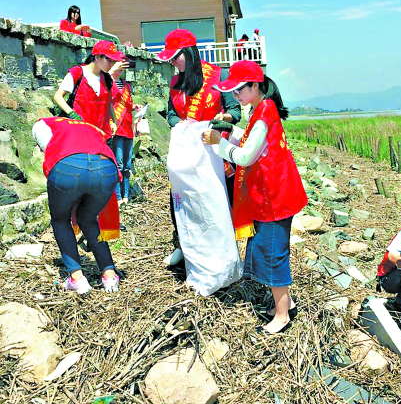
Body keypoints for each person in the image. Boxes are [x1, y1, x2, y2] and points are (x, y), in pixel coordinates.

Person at [202, 60, 308, 334]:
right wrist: (230, 133)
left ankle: (282, 315)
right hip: (277, 192)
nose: (235, 96)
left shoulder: (262, 115)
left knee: (273, 253)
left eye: (239, 90)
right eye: (233, 91)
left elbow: (247, 156)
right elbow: (253, 141)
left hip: (274, 197)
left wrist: (219, 142)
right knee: (270, 248)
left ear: (255, 86)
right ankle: (285, 302)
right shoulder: (263, 108)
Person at [158, 29, 241, 260]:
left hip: (215, 152)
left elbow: (234, 111)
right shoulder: (175, 81)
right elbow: (171, 114)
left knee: (217, 200)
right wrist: (182, 124)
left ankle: (221, 247)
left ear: (190, 53)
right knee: (181, 197)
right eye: (171, 59)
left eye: (176, 57)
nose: (174, 62)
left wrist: (215, 122)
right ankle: (184, 245)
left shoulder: (218, 76)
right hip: (187, 153)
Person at [32, 117, 121, 294]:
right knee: (88, 220)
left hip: (68, 166)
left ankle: (77, 278)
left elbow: (52, 152)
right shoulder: (90, 125)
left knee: (60, 219)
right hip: (107, 167)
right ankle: (109, 276)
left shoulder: (43, 123)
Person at [53, 40, 121, 137]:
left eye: (114, 61)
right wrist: (71, 113)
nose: (112, 64)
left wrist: (114, 121)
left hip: (102, 134)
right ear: (97, 57)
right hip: (80, 132)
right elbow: (58, 96)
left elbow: (108, 102)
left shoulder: (107, 79)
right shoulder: (77, 73)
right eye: (109, 60)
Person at [109, 58, 138, 207]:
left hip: (128, 128)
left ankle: (126, 195)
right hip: (116, 129)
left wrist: (135, 107)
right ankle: (117, 196)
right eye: (118, 64)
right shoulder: (107, 82)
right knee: (118, 164)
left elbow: (128, 104)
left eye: (123, 66)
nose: (121, 68)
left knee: (127, 165)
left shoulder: (126, 85)